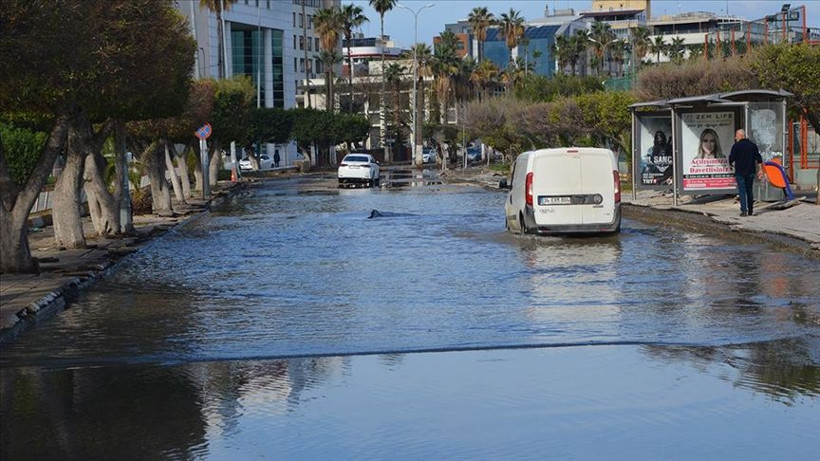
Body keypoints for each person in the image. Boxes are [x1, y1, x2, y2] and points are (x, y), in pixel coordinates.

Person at [728, 129, 764, 217]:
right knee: (749, 190)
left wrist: (730, 163)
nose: (735, 138)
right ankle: (751, 209)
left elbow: (731, 158)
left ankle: (744, 211)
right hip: (751, 171)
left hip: (740, 172)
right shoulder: (753, 145)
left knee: (742, 191)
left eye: (736, 136)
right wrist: (761, 170)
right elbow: (759, 158)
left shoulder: (736, 146)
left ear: (740, 136)